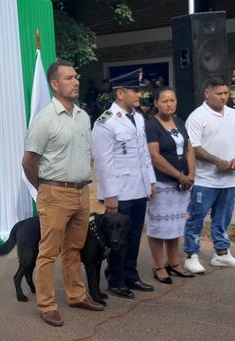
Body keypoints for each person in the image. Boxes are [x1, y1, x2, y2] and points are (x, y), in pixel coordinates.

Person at [23, 59, 104, 327]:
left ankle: (76, 295)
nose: (76, 81)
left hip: (82, 192)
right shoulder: (45, 119)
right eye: (69, 78)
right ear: (55, 84)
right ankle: (46, 305)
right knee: (48, 252)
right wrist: (44, 189)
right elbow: (28, 162)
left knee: (74, 248)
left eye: (76, 77)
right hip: (55, 193)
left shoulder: (83, 117)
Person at [92, 68, 157, 298]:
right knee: (117, 239)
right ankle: (116, 279)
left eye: (140, 91)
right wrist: (110, 194)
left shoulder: (138, 117)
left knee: (134, 235)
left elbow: (143, 154)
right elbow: (102, 161)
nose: (140, 95)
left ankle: (131, 275)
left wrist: (151, 181)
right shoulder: (105, 122)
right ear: (120, 93)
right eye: (134, 90)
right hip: (119, 191)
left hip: (138, 188)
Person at [183, 77, 235, 274]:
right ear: (207, 93)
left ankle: (221, 253)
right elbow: (194, 147)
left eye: (226, 93)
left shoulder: (233, 114)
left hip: (229, 179)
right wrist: (217, 161)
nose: (223, 97)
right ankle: (191, 255)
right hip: (205, 180)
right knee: (197, 218)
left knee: (223, 218)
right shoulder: (197, 116)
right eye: (219, 94)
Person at [145, 87, 196, 283]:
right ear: (156, 103)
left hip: (182, 185)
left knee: (175, 226)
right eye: (164, 101)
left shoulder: (179, 121)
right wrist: (179, 176)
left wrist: (191, 175)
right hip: (162, 184)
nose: (169, 104)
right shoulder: (151, 125)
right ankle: (159, 266)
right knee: (159, 227)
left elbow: (189, 148)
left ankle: (174, 263)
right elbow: (155, 157)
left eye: (172, 100)